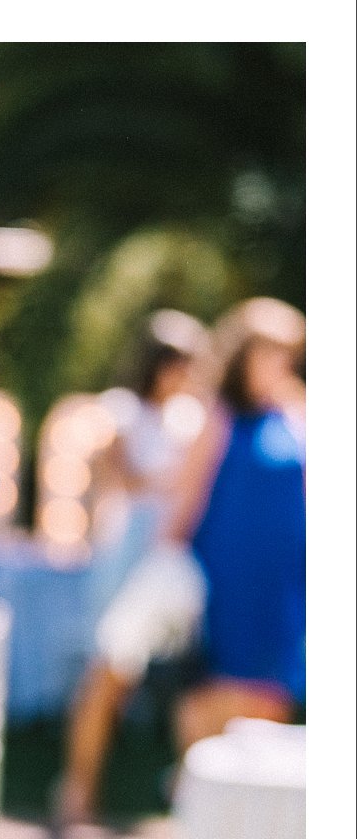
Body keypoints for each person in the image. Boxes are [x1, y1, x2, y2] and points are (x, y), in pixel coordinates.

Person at [55, 312, 211, 832]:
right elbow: (119, 479)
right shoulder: (122, 413)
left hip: (173, 558)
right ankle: (78, 793)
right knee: (108, 672)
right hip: (128, 556)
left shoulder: (194, 417)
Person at [172, 298, 306, 752]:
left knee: (275, 688)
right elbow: (187, 498)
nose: (279, 363)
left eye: (286, 353)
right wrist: (164, 563)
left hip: (285, 579)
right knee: (226, 682)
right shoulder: (219, 415)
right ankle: (195, 788)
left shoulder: (294, 411)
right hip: (232, 572)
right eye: (268, 351)